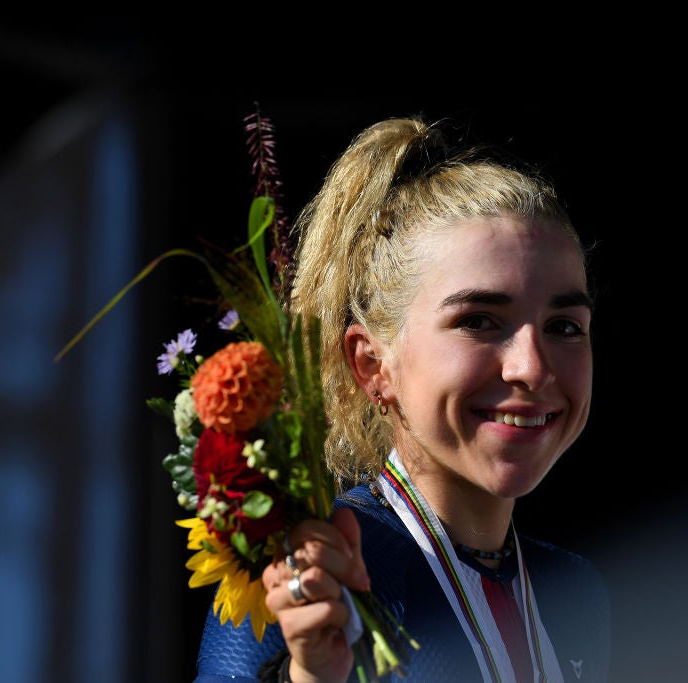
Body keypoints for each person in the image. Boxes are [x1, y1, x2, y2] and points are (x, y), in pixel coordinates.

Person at [192, 115, 611, 682]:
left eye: (564, 326)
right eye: (480, 321)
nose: (532, 368)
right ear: (372, 365)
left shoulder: (578, 592)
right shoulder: (313, 566)